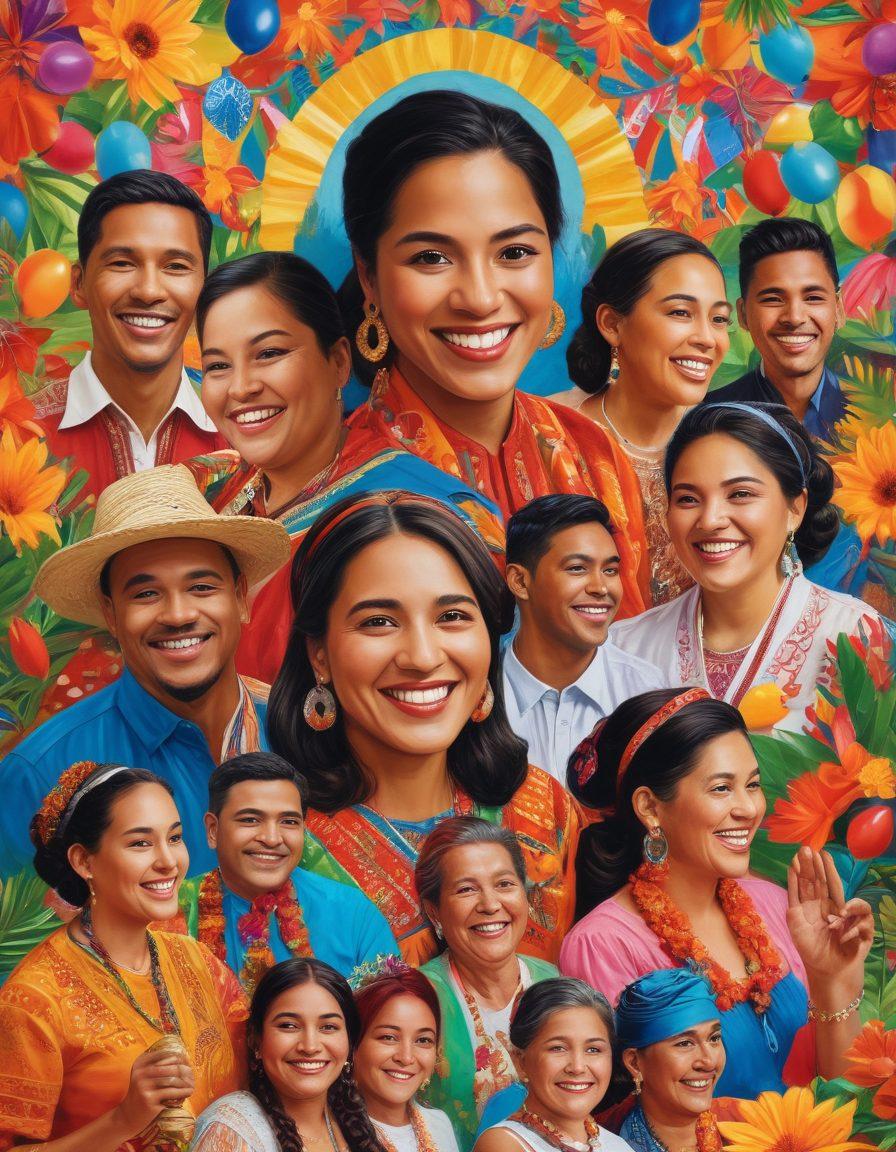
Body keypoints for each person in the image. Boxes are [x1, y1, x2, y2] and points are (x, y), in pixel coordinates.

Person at [339, 89, 650, 618]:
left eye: (514, 252)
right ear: (369, 275)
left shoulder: (595, 455)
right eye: (432, 257)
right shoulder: (339, 490)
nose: (481, 298)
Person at [268, 491, 580, 967]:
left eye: (451, 617)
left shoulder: (542, 808)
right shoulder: (277, 840)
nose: (422, 657)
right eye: (378, 622)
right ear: (319, 655)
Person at [187, 251, 504, 684]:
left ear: (337, 362)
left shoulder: (434, 511)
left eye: (269, 353)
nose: (241, 387)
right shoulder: (206, 496)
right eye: (218, 366)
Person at [560, 688, 874, 1097]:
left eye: (753, 784)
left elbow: (846, 1096)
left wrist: (831, 979)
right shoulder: (602, 945)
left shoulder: (774, 904)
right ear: (650, 809)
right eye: (722, 788)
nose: (749, 808)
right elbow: (637, 1120)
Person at [0, 465, 290, 878]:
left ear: (240, 598)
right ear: (111, 614)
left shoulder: (300, 733)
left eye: (201, 587)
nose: (177, 615)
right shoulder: (41, 775)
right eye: (146, 594)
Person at [0, 762, 247, 1149]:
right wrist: (124, 1119)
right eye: (140, 843)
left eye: (175, 837)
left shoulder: (198, 963)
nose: (168, 861)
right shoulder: (34, 999)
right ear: (84, 861)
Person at [610, 403, 888, 729]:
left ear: (794, 510)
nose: (710, 520)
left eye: (740, 494)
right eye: (687, 498)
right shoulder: (622, 649)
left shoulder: (856, 635)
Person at [551, 230, 731, 605]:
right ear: (612, 325)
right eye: (681, 313)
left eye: (718, 319)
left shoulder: (727, 445)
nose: (707, 339)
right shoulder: (548, 435)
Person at [32, 171, 226, 503]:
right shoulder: (20, 437)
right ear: (79, 284)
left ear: (203, 290)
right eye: (122, 263)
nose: (149, 291)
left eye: (176, 266)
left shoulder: (238, 442)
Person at [177, 752, 397, 988]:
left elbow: (391, 1013)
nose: (272, 839)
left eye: (289, 822)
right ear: (212, 831)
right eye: (250, 820)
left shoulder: (353, 913)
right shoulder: (172, 912)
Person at [414, 818, 558, 1150]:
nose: (490, 904)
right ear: (433, 910)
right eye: (466, 889)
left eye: (505, 884)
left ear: (525, 894)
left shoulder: (553, 983)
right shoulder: (416, 999)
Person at [502, 495, 663, 783]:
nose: (601, 588)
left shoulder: (646, 694)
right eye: (577, 568)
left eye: (610, 570)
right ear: (520, 581)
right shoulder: (477, 693)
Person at [190, 957, 385, 1152]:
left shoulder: (357, 1125)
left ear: (350, 1043)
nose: (310, 1046)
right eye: (288, 1025)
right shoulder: (229, 1130)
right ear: (255, 1040)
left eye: (328, 1027)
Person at [705, 219, 846, 443]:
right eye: (773, 299)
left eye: (813, 298)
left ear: (838, 309)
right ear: (742, 314)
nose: (795, 317)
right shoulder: (707, 418)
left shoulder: (879, 410)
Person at [473, 978, 634, 1152]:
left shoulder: (618, 1146)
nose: (577, 1067)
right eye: (558, 1048)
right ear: (520, 1062)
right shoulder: (504, 1144)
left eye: (593, 1049)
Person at [354, 957, 461, 1152]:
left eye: (423, 1040)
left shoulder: (438, 1125)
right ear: (353, 1044)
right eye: (388, 1037)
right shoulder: (327, 1135)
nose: (406, 1057)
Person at [615, 969, 725, 1152]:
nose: (709, 1061)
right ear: (635, 1063)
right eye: (684, 1043)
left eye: (714, 1038)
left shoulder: (749, 1120)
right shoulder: (602, 1143)